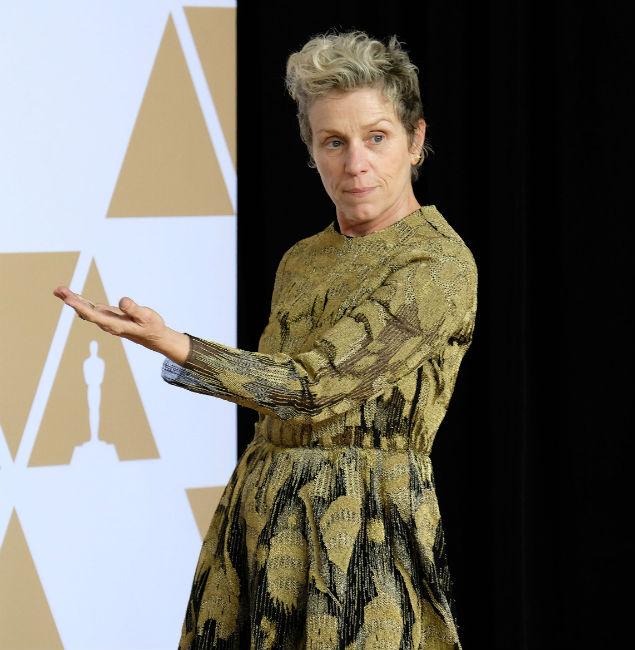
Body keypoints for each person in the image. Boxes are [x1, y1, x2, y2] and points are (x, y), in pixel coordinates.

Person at [54, 30, 477, 650]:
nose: (355, 163)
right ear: (312, 150)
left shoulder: (437, 265)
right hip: (260, 517)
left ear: (415, 141)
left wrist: (174, 343)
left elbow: (310, 389)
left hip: (362, 532)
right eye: (333, 141)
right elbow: (271, 397)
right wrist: (171, 348)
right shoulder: (301, 260)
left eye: (376, 137)